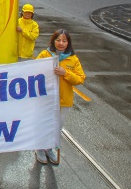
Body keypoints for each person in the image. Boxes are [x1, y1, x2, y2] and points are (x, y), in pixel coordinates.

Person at [35, 29, 85, 165]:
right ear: (53, 41)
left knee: (57, 126)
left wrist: (65, 73)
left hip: (64, 101)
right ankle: (39, 148)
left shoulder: (73, 59)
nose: (61, 43)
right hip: (45, 100)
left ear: (68, 43)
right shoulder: (44, 54)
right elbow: (33, 72)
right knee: (43, 123)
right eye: (58, 40)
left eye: (64, 40)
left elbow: (80, 79)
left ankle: (49, 148)